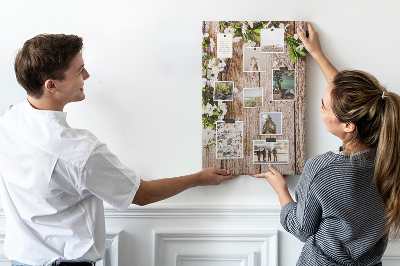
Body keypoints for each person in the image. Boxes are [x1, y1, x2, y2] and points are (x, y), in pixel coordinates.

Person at [0, 34, 235, 266]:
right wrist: (198, 178)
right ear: (51, 85)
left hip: (20, 261)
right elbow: (143, 195)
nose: (87, 75)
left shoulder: (7, 122)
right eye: (79, 70)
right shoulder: (79, 151)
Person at [253, 22, 400, 265]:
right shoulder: (391, 155)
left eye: (324, 105)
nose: (319, 107)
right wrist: (318, 54)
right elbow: (354, 104)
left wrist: (281, 190)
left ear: (348, 125)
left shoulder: (322, 170)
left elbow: (301, 228)